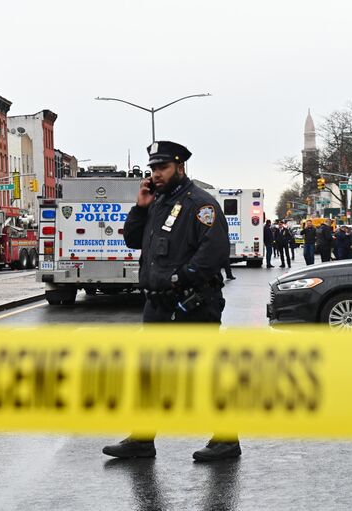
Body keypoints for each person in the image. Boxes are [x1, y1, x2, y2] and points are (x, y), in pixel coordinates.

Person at [102, 140, 239, 462]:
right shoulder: (158, 202)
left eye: (162, 168)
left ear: (180, 167)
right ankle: (142, 440)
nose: (156, 174)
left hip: (191, 304)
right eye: (152, 169)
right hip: (159, 306)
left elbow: (214, 252)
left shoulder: (200, 204)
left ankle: (226, 439)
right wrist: (140, 206)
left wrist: (180, 279)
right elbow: (133, 240)